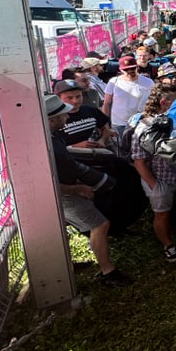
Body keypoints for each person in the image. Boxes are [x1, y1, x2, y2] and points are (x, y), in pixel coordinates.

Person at [45, 94, 131, 287]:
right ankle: (108, 272)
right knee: (100, 225)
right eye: (63, 115)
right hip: (63, 193)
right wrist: (76, 188)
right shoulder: (46, 145)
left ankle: (62, 265)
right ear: (51, 119)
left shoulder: (51, 136)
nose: (67, 117)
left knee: (59, 228)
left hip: (65, 189)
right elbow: (46, 183)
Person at [131, 83, 176, 264]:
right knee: (162, 214)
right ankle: (168, 245)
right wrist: (154, 185)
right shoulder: (144, 127)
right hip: (160, 178)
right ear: (163, 102)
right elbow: (138, 161)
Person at [101, 54, 155, 142]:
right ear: (120, 70)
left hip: (141, 123)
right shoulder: (113, 82)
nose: (130, 71)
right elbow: (106, 104)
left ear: (137, 67)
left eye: (133, 68)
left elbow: (153, 101)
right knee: (120, 150)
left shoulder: (148, 82)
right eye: (126, 69)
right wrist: (105, 124)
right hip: (119, 124)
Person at [54, 78, 113, 147]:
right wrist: (76, 146)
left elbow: (106, 129)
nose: (75, 101)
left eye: (78, 96)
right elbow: (54, 146)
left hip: (99, 154)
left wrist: (102, 140)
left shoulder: (92, 111)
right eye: (69, 98)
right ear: (58, 97)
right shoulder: (55, 119)